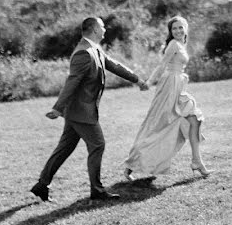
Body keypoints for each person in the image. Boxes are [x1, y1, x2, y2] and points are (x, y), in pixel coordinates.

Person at [30, 16, 149, 202]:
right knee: (98, 144)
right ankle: (97, 190)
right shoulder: (83, 53)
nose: (105, 30)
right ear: (94, 29)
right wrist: (58, 108)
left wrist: (137, 80)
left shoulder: (94, 48)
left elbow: (114, 65)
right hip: (81, 111)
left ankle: (41, 185)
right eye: (102, 27)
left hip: (79, 111)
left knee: (65, 148)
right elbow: (72, 82)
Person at [123, 15, 210, 179]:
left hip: (179, 85)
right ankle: (132, 164)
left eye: (180, 27)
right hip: (169, 86)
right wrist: (149, 83)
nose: (177, 31)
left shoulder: (182, 44)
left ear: (185, 28)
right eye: (174, 28)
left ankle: (197, 161)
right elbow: (162, 65)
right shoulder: (173, 44)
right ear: (170, 32)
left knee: (194, 120)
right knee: (158, 126)